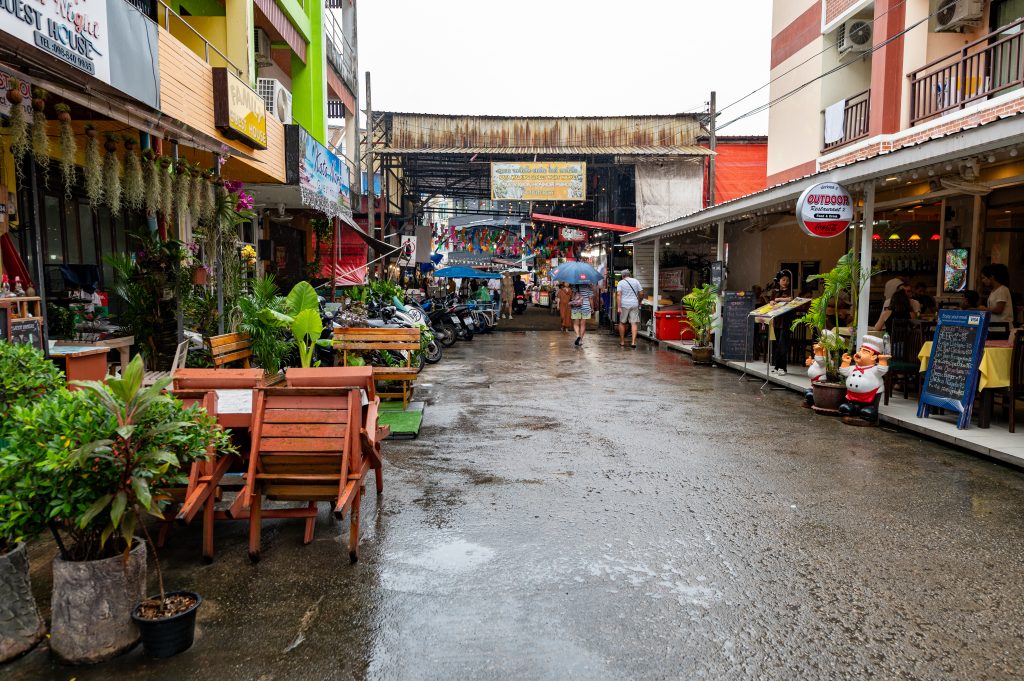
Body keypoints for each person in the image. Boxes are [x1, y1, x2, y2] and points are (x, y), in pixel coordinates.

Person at [767, 272, 793, 375]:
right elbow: (771, 301)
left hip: (785, 322)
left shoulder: (790, 291)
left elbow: (789, 299)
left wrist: (777, 299)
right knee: (777, 344)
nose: (785, 282)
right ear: (779, 281)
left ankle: (783, 368)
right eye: (783, 280)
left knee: (783, 344)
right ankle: (777, 366)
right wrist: (772, 302)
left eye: (787, 280)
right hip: (776, 321)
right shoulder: (775, 291)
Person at [616, 269, 644, 348]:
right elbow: (641, 293)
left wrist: (618, 307)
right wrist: (639, 301)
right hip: (634, 304)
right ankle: (633, 342)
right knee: (634, 323)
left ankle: (622, 341)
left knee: (622, 322)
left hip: (624, 304)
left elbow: (618, 294)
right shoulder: (636, 281)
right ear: (629, 274)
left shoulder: (621, 283)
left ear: (622, 275)